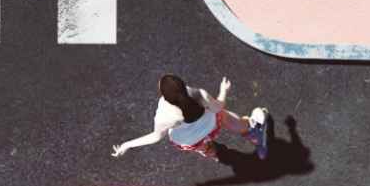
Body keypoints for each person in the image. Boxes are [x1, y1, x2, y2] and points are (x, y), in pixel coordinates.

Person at [111, 73, 269, 162]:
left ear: (165, 96)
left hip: (190, 140)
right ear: (183, 86)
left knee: (204, 147)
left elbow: (155, 137)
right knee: (228, 119)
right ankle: (253, 130)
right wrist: (223, 90)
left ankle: (213, 152)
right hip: (212, 125)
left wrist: (127, 145)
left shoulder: (165, 116)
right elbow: (218, 106)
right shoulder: (198, 94)